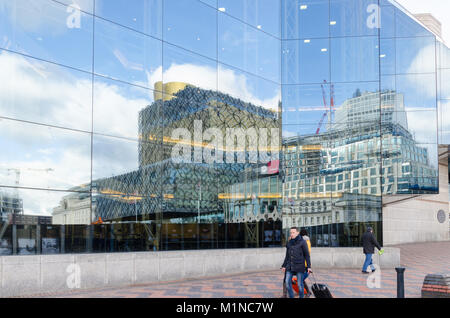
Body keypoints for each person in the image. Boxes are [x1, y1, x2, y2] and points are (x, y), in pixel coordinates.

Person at [281, 227, 312, 298]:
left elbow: (307, 255)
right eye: (291, 233)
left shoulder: (302, 242)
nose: (291, 234)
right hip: (290, 266)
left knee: (300, 285)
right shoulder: (289, 243)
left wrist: (309, 267)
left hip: (299, 266)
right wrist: (284, 265)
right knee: (287, 283)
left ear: (297, 233)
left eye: (293, 232)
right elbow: (287, 256)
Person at [299, 229, 312, 298]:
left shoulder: (303, 241)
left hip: (304, 263)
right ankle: (308, 292)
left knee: (301, 279)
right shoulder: (308, 241)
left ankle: (308, 292)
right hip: (304, 263)